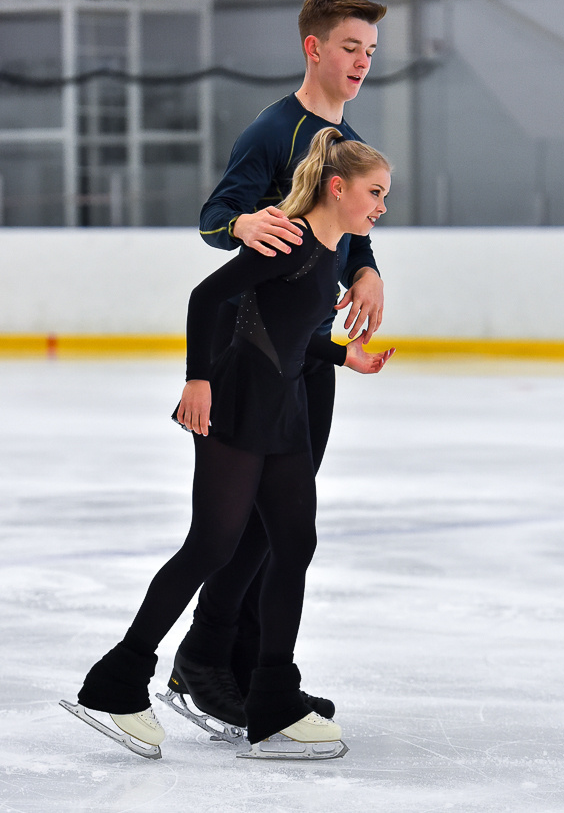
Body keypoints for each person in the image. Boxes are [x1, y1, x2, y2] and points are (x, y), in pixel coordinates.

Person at [68, 128, 394, 758]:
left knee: (293, 543)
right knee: (212, 546)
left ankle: (274, 701)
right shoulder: (292, 240)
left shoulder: (329, 252)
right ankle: (118, 681)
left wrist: (341, 354)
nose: (381, 207)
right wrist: (197, 379)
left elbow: (288, 330)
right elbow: (209, 298)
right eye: (374, 192)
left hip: (282, 410)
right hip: (239, 406)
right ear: (337, 186)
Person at [164, 0, 388, 730]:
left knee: (279, 521)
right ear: (313, 49)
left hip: (308, 352)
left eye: (370, 51)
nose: (361, 61)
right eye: (350, 47)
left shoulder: (342, 135)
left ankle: (256, 672)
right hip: (254, 348)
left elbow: (347, 227)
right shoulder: (275, 130)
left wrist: (367, 267)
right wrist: (240, 220)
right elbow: (213, 220)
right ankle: (208, 659)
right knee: (253, 522)